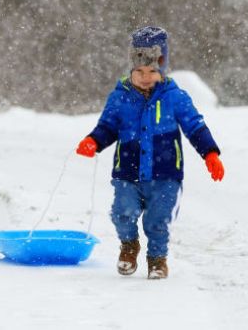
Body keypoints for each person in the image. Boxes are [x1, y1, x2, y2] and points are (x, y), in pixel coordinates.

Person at [75, 26, 224, 279]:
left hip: (165, 175)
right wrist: (93, 141)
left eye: (153, 71)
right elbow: (108, 126)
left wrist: (210, 153)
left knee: (158, 221)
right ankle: (129, 245)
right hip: (127, 174)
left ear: (162, 70)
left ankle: (157, 259)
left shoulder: (174, 97)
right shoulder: (120, 98)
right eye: (139, 71)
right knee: (122, 213)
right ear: (131, 69)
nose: (145, 77)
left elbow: (195, 126)